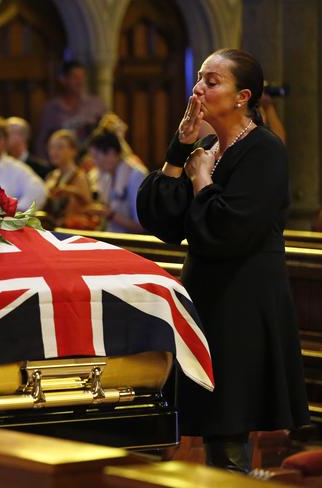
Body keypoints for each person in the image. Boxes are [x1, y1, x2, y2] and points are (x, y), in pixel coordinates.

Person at [136, 48, 309, 473]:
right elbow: (164, 220)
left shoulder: (264, 151)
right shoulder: (210, 145)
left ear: (241, 96)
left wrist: (201, 178)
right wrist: (180, 153)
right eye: (199, 77)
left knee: (228, 425)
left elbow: (227, 231)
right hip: (210, 298)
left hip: (244, 300)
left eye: (212, 81)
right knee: (213, 425)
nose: (198, 88)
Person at [34, 60, 107, 159]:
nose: (79, 81)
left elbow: (108, 134)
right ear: (63, 79)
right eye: (75, 77)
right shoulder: (52, 108)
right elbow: (41, 141)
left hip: (92, 161)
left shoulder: (96, 104)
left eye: (82, 77)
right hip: (62, 162)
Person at [85, 130, 147, 233]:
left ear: (111, 152)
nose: (94, 162)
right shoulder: (107, 176)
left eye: (96, 156)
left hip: (135, 243)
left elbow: (142, 225)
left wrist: (109, 214)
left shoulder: (136, 175)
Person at [43, 129, 94, 228]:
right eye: (51, 147)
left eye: (60, 147)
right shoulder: (51, 176)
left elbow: (88, 205)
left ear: (73, 151)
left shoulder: (79, 176)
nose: (54, 152)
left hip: (72, 230)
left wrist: (73, 192)